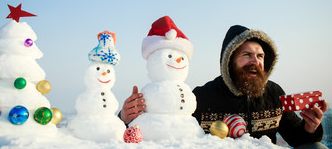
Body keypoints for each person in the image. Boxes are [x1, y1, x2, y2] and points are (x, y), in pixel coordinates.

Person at [120, 25, 328, 148]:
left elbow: (297, 138)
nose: (255, 61)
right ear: (229, 61)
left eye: (260, 56)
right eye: (247, 55)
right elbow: (162, 123)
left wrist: (310, 128)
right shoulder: (203, 97)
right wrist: (125, 118)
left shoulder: (274, 93)